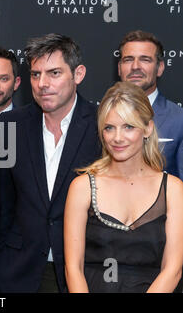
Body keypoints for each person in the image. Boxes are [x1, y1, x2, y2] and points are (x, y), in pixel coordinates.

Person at [0, 33, 101, 292]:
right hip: (20, 270)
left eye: (54, 73)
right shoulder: (8, 127)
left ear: (78, 74)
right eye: (35, 74)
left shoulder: (103, 126)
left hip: (83, 273)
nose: (42, 83)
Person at [64, 81, 183, 293]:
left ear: (147, 128)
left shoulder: (173, 190)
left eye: (128, 126)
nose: (117, 138)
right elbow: (73, 267)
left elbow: (173, 269)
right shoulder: (82, 187)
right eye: (109, 128)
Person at [118, 30, 183, 180]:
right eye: (128, 59)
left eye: (145, 60)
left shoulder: (179, 121)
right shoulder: (100, 117)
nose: (135, 66)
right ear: (119, 68)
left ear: (159, 68)